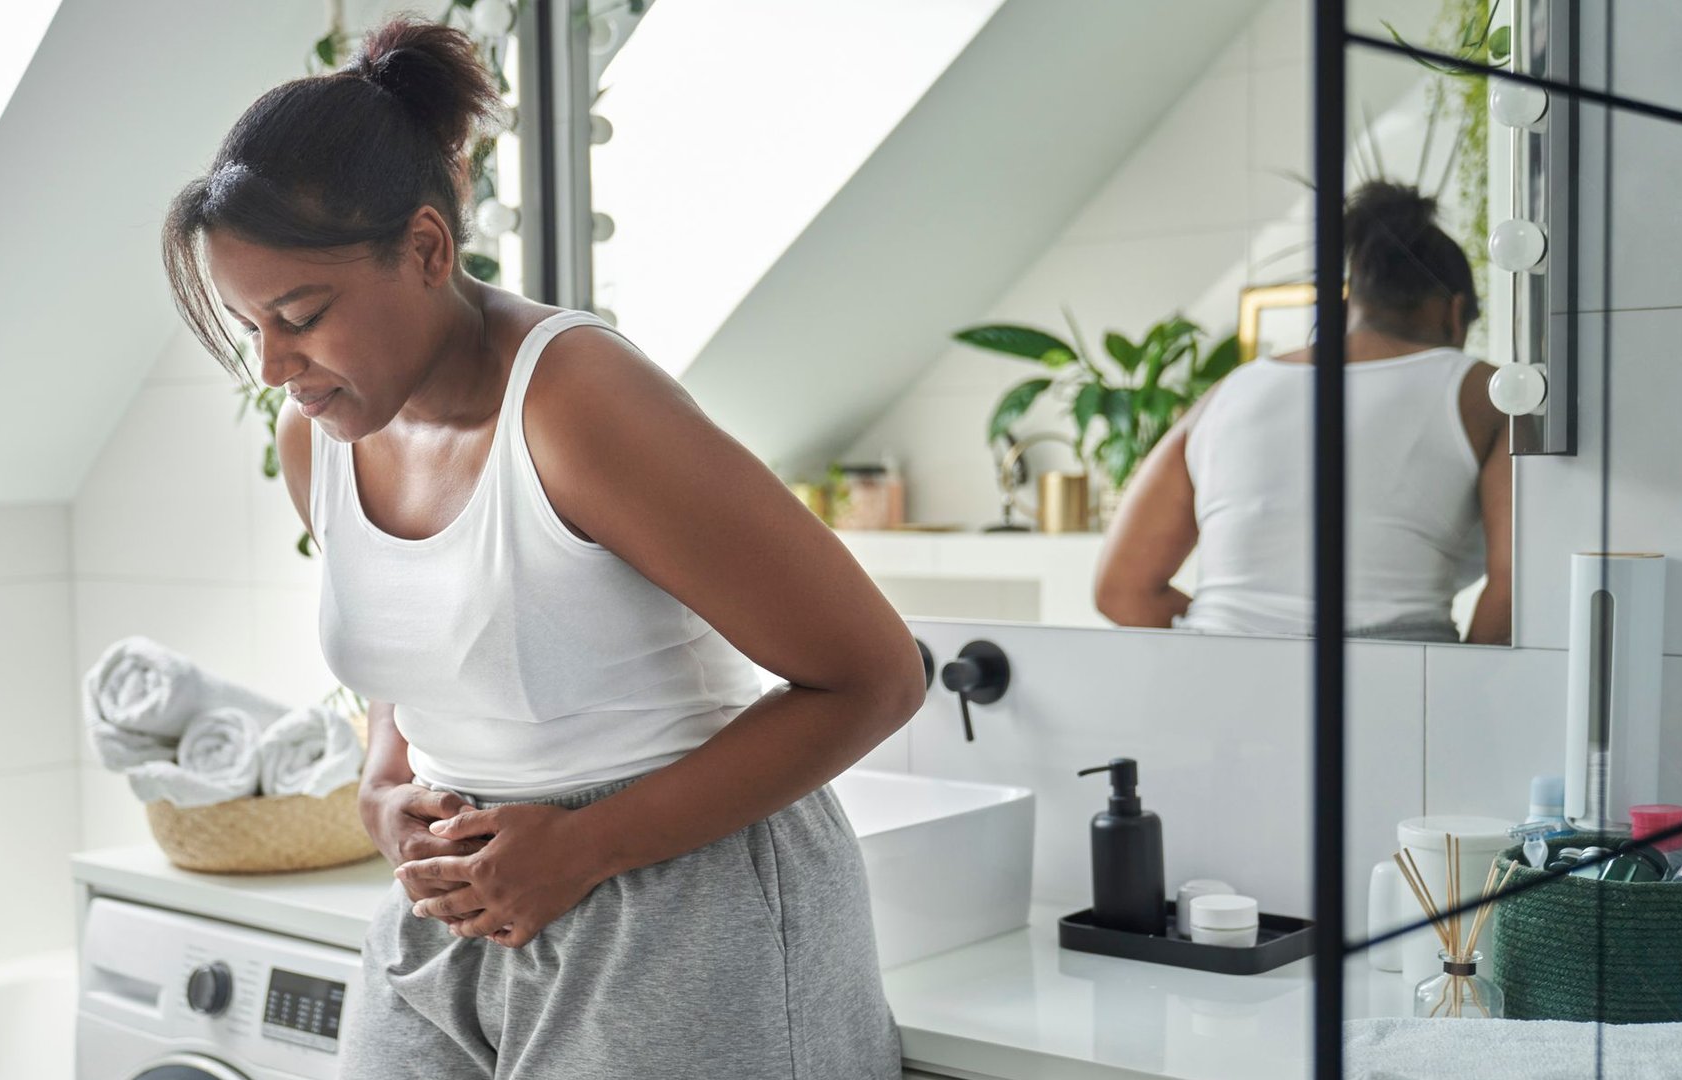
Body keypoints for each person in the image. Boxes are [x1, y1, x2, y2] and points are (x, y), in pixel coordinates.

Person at [160, 18, 922, 1079]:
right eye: (256, 329)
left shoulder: (577, 406)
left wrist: (588, 845)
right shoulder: (319, 434)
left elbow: (875, 678)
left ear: (428, 249)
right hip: (456, 909)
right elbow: (410, 654)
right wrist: (385, 789)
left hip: (681, 904)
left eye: (302, 314)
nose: (278, 364)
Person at [1094, 181, 1511, 644]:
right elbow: (1516, 585)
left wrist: (1247, 639)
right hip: (1398, 680)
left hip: (1215, 680)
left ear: (1352, 303)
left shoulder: (1229, 390)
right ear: (1454, 314)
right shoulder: (1486, 392)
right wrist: (1468, 699)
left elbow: (1122, 590)